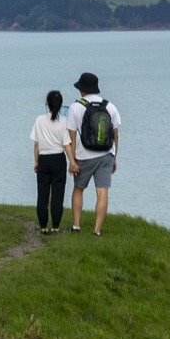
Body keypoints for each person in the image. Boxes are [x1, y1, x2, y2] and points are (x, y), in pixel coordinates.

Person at [65, 70, 121, 236]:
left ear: (82, 89)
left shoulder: (76, 107)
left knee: (78, 189)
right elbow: (116, 135)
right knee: (102, 191)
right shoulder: (110, 106)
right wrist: (114, 157)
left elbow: (71, 136)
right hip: (106, 155)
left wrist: (72, 161)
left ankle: (76, 225)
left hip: (84, 156)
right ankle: (97, 231)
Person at [30, 88, 69, 234]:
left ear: (47, 103)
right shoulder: (64, 121)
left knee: (42, 193)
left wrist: (36, 161)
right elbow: (66, 144)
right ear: (60, 105)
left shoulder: (39, 120)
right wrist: (72, 161)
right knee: (58, 193)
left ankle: (43, 226)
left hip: (44, 159)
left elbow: (36, 144)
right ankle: (56, 226)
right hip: (58, 158)